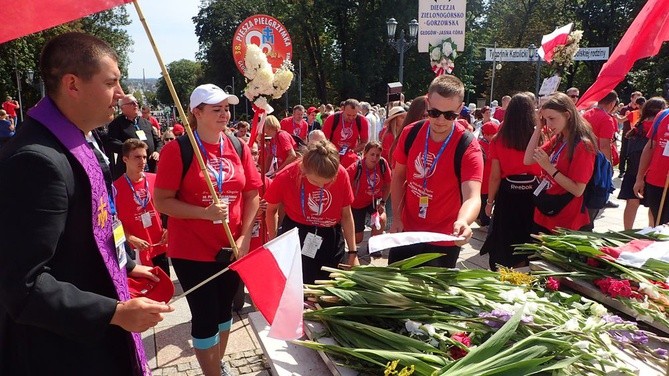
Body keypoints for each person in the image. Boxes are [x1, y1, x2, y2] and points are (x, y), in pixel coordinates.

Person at [0, 31, 173, 376]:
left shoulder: (78, 140)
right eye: (112, 83)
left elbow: (90, 225)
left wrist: (123, 266)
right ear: (73, 85)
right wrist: (115, 313)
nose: (122, 94)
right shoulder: (37, 161)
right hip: (62, 353)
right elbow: (23, 285)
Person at [154, 84, 261, 376]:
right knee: (205, 317)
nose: (225, 114)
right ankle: (211, 372)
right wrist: (204, 213)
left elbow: (252, 194)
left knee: (226, 312)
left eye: (226, 108)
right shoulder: (178, 150)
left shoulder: (237, 146)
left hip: (231, 247)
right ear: (196, 113)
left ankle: (218, 363)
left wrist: (244, 237)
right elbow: (161, 201)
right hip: (192, 251)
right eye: (217, 109)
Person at [389, 74, 483, 267]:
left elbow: (472, 196)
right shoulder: (411, 132)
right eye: (434, 112)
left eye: (449, 115)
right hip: (407, 232)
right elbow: (398, 176)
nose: (440, 120)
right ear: (427, 102)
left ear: (460, 108)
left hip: (444, 237)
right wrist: (397, 217)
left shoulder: (468, 146)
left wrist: (464, 221)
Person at [264, 140, 359, 284]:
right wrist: (274, 243)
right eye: (315, 182)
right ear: (304, 170)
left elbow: (346, 214)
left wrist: (353, 252)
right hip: (298, 234)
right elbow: (271, 211)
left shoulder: (341, 173)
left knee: (331, 287)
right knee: (301, 288)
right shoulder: (286, 175)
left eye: (327, 182)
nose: (322, 186)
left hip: (330, 236)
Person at [482, 93, 542, 269]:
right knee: (528, 233)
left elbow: (494, 176)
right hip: (533, 194)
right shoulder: (539, 136)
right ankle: (525, 266)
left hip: (508, 194)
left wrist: (489, 201)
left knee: (505, 234)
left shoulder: (499, 140)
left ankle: (505, 267)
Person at [524, 92, 597, 233]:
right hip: (545, 210)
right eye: (545, 119)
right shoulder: (559, 138)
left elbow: (578, 190)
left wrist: (549, 167)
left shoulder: (583, 145)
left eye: (552, 118)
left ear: (568, 115)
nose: (549, 124)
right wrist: (538, 127)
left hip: (565, 218)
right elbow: (528, 159)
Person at [113, 139, 169, 273]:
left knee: (165, 288)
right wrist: (130, 238)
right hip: (135, 250)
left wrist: (168, 228)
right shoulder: (115, 188)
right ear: (125, 159)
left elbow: (168, 206)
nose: (142, 161)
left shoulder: (155, 179)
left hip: (159, 245)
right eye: (137, 157)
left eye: (144, 157)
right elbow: (113, 222)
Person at [620, 97, 666, 229]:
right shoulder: (659, 123)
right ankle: (652, 231)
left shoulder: (638, 124)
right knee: (653, 206)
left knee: (632, 201)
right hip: (651, 170)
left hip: (633, 169)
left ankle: (627, 232)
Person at [106, 94, 163, 179]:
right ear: (122, 107)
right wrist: (131, 149)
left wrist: (157, 152)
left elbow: (158, 141)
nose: (136, 105)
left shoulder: (146, 123)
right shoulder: (116, 124)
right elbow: (111, 143)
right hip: (128, 170)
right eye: (132, 103)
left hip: (150, 167)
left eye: (136, 102)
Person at [347, 141, 391, 246]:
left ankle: (373, 246)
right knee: (358, 239)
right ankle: (347, 234)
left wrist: (383, 202)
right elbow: (342, 183)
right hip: (356, 204)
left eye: (378, 155)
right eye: (372, 154)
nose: (375, 158)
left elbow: (389, 183)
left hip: (373, 201)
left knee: (381, 219)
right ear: (365, 153)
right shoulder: (356, 168)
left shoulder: (382, 164)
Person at [583, 90, 620, 215]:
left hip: (583, 156)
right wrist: (608, 165)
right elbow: (604, 145)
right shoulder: (606, 119)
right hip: (597, 162)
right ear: (612, 103)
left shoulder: (586, 114)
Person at [633, 104, 669, 226]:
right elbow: (650, 147)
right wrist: (639, 178)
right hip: (656, 182)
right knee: (659, 224)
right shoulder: (663, 115)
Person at [322, 98, 370, 168]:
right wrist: (331, 151)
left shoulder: (362, 121)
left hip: (351, 158)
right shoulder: (332, 119)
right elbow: (323, 141)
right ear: (343, 109)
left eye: (354, 115)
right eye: (348, 115)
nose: (351, 118)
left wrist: (353, 150)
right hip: (333, 156)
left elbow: (364, 142)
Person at [477, 121, 500, 227]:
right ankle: (484, 221)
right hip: (485, 180)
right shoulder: (481, 145)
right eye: (493, 134)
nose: (496, 136)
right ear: (485, 135)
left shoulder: (491, 144)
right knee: (484, 201)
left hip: (489, 179)